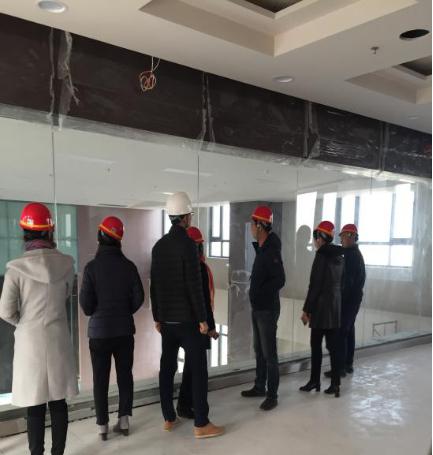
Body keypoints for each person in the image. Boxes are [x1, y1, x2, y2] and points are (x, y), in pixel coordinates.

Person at [0, 202, 78, 455]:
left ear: (24, 232)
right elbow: (65, 296)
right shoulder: (66, 264)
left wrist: (25, 324)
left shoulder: (15, 269)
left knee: (34, 406)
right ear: (50, 230)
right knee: (58, 402)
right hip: (58, 339)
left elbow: (5, 311)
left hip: (30, 344)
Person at [150, 192, 224, 439]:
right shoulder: (189, 246)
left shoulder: (158, 247)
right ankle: (201, 423)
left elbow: (154, 285)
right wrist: (203, 320)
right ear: (186, 218)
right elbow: (195, 287)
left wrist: (157, 317)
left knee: (167, 368)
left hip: (167, 322)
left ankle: (169, 418)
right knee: (199, 371)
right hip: (189, 322)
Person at [79, 216, 144, 440]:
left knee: (100, 379)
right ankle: (124, 421)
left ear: (100, 236)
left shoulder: (91, 268)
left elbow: (86, 306)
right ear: (119, 240)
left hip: (99, 334)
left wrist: (98, 312)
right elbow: (139, 298)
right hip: (124, 331)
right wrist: (125, 311)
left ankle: (102, 426)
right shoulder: (129, 266)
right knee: (125, 376)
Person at [241, 206, 286, 411]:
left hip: (267, 309)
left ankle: (272, 395)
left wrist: (260, 293)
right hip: (258, 308)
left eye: (252, 224)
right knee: (259, 350)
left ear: (260, 226)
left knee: (269, 354)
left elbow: (280, 279)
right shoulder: (263, 248)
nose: (251, 227)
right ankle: (260, 386)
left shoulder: (271, 250)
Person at [177, 226, 219, 419]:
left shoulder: (181, 267)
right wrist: (210, 327)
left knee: (190, 366)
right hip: (199, 325)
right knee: (196, 369)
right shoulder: (200, 268)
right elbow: (205, 301)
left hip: (186, 324)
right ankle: (189, 406)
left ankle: (186, 404)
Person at [299, 221, 344, 398]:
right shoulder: (340, 255)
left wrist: (306, 310)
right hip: (335, 307)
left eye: (315, 237)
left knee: (316, 346)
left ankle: (314, 381)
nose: (315, 241)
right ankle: (335, 384)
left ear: (320, 237)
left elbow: (315, 285)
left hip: (321, 308)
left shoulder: (321, 255)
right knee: (333, 348)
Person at [325, 224, 365, 378]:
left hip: (348, 300)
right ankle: (347, 364)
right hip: (353, 299)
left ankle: (339, 368)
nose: (341, 240)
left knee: (341, 332)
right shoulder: (353, 253)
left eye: (343, 236)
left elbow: (347, 282)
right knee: (348, 331)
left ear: (351, 237)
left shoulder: (351, 256)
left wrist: (338, 299)